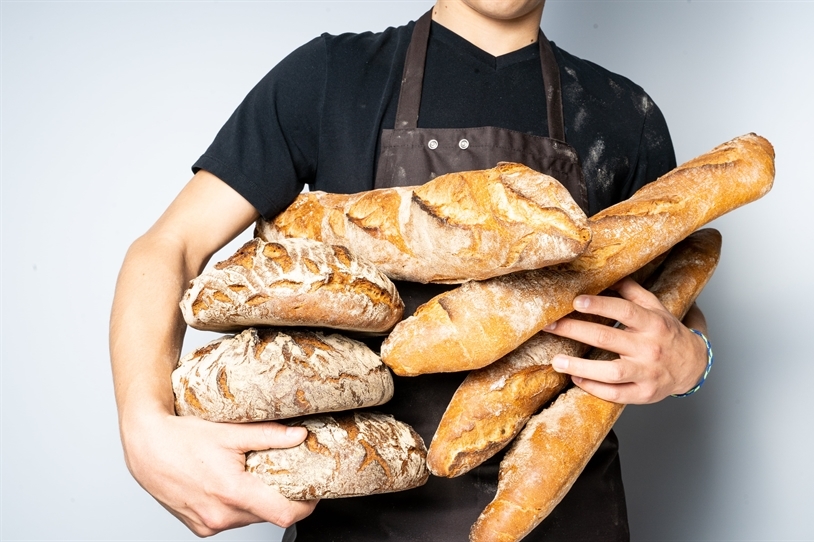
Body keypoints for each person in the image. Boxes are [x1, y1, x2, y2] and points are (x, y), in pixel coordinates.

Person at [109, 0, 710, 540]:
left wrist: (693, 361)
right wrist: (144, 426)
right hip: (357, 525)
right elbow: (170, 246)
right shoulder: (329, 77)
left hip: (566, 516)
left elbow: (665, 305)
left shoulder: (625, 115)